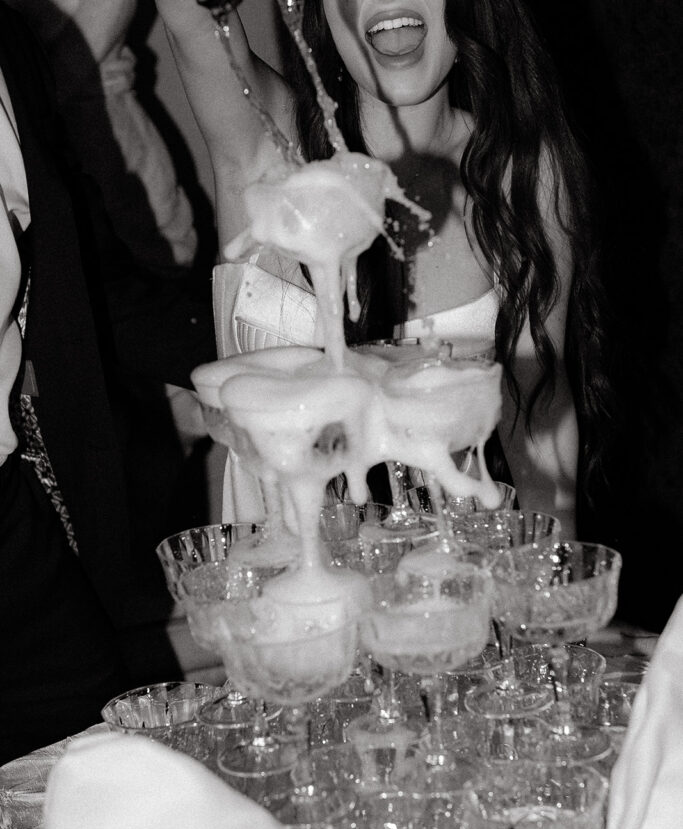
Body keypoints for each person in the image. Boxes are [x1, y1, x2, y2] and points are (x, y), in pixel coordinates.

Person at [156, 0, 616, 540]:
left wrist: (551, 588)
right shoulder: (263, 142)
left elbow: (539, 413)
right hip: (278, 602)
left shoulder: (523, 174)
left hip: (450, 596)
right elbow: (190, 17)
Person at [0, 0, 217, 764]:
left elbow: (72, 280)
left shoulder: (10, 41)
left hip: (11, 530)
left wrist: (243, 349)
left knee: (94, 782)